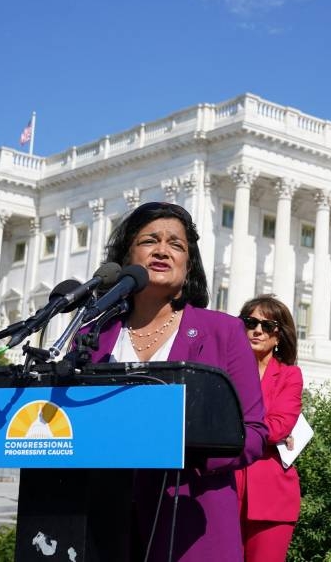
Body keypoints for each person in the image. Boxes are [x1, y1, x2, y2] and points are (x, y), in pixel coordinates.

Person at [88, 201, 268, 561]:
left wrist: (188, 448)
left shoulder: (224, 332)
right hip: (104, 519)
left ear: (188, 264)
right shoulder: (94, 335)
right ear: (126, 256)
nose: (162, 250)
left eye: (176, 244)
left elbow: (254, 432)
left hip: (192, 518)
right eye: (149, 240)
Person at [234, 295, 303, 562]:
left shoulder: (290, 375)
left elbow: (278, 427)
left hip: (272, 497)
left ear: (279, 336)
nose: (257, 330)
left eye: (268, 325)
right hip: (225, 488)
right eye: (250, 322)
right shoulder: (223, 372)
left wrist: (229, 428)